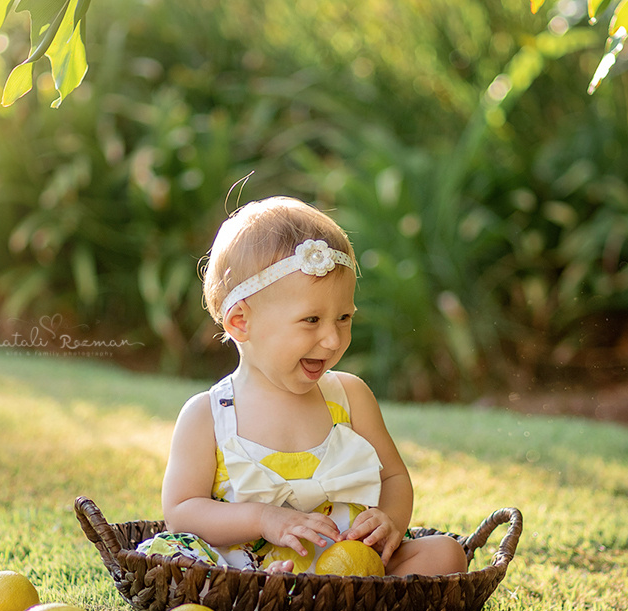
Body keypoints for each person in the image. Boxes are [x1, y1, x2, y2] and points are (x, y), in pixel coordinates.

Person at [157, 196, 468, 577]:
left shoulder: (349, 396)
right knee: (171, 558)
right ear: (240, 322)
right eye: (311, 320)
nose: (333, 340)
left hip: (351, 564)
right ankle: (278, 598)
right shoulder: (209, 415)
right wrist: (263, 519)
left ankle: (347, 601)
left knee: (446, 554)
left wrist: (388, 519)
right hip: (249, 571)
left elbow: (394, 478)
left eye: (343, 318)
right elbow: (182, 511)